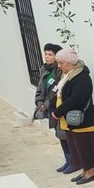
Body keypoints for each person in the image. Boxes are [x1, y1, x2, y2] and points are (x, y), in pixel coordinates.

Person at [51, 48, 94, 184]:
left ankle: (91, 172)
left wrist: (58, 112)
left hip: (82, 119)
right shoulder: (68, 76)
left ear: (70, 63)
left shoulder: (82, 77)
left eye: (61, 63)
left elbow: (76, 99)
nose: (58, 66)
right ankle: (85, 170)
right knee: (76, 146)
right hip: (70, 120)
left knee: (85, 145)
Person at [35, 43, 70, 173]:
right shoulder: (44, 70)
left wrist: (47, 104)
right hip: (48, 108)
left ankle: (73, 161)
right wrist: (39, 101)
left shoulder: (60, 72)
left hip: (58, 107)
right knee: (59, 134)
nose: (47, 57)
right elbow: (40, 88)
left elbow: (56, 91)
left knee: (64, 134)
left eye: (50, 54)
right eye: (45, 54)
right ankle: (68, 160)